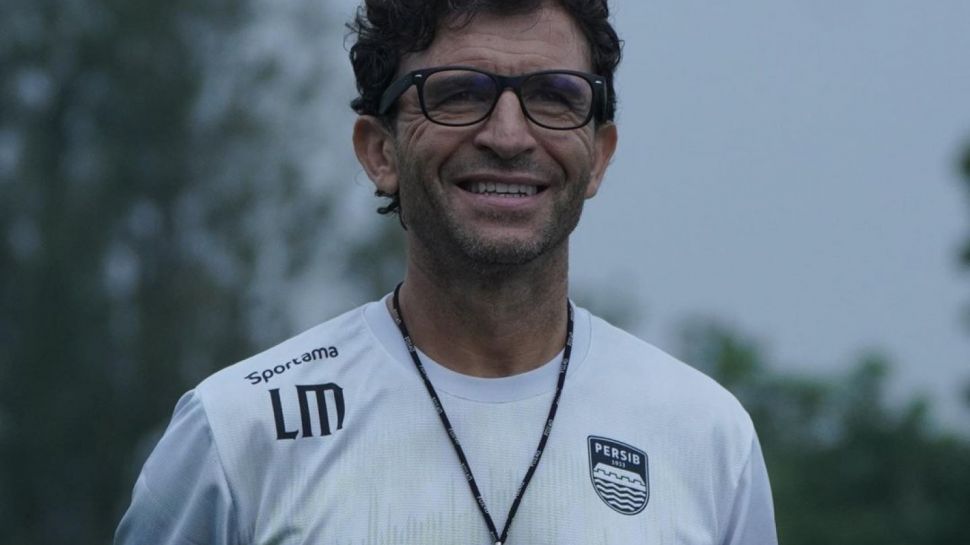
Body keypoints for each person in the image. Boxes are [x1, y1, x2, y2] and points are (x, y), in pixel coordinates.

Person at [115, 0, 778, 543]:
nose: (509, 136)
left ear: (599, 155)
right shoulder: (238, 432)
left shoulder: (707, 438)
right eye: (459, 93)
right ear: (379, 151)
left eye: (554, 96)